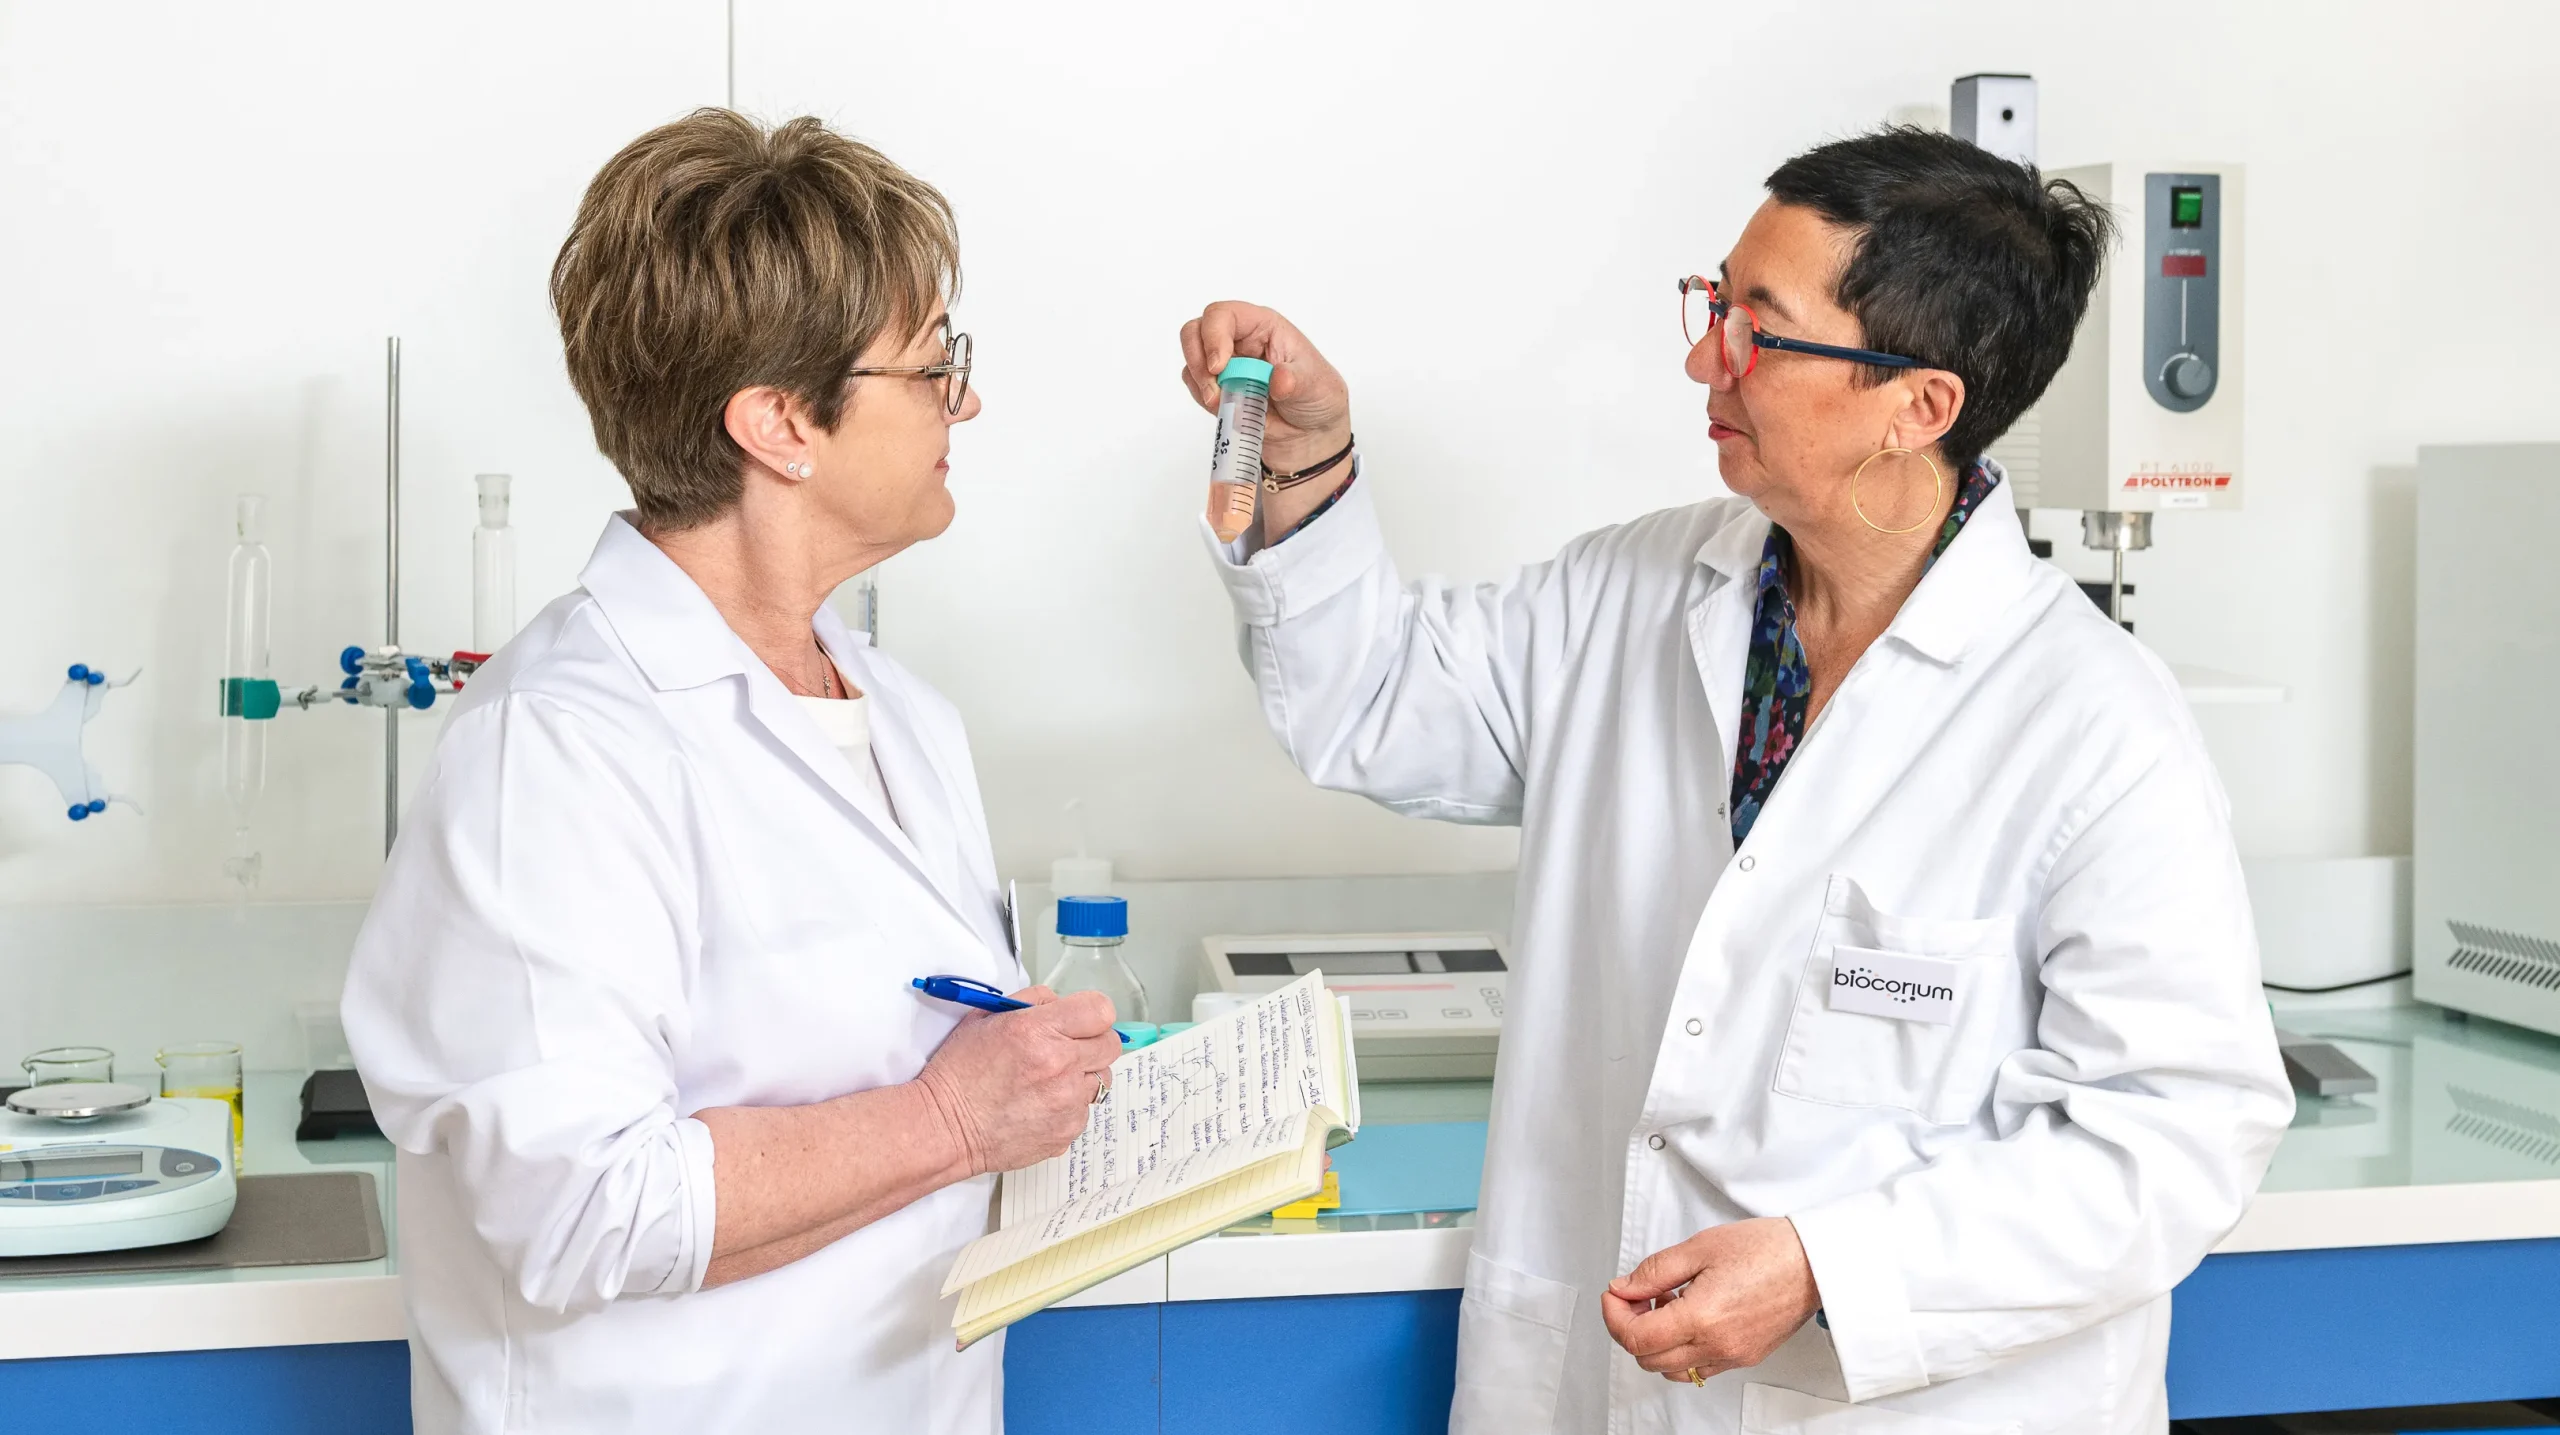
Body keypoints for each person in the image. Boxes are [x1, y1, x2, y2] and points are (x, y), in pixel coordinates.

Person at [1178, 127, 2292, 1434]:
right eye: (1715, 303)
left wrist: (1831, 1266)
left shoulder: (2095, 727)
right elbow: (1374, 701)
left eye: (1759, 327)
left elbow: (2174, 1134)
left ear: (1918, 406)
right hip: (1594, 1382)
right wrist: (1303, 450)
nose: (1705, 357)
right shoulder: (1636, 593)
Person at [340, 110, 1122, 1434]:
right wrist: (949, 1113)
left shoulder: (905, 718)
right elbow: (586, 1212)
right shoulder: (559, 747)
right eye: (935, 365)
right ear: (777, 423)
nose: (966, 399)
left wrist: (1035, 1089)